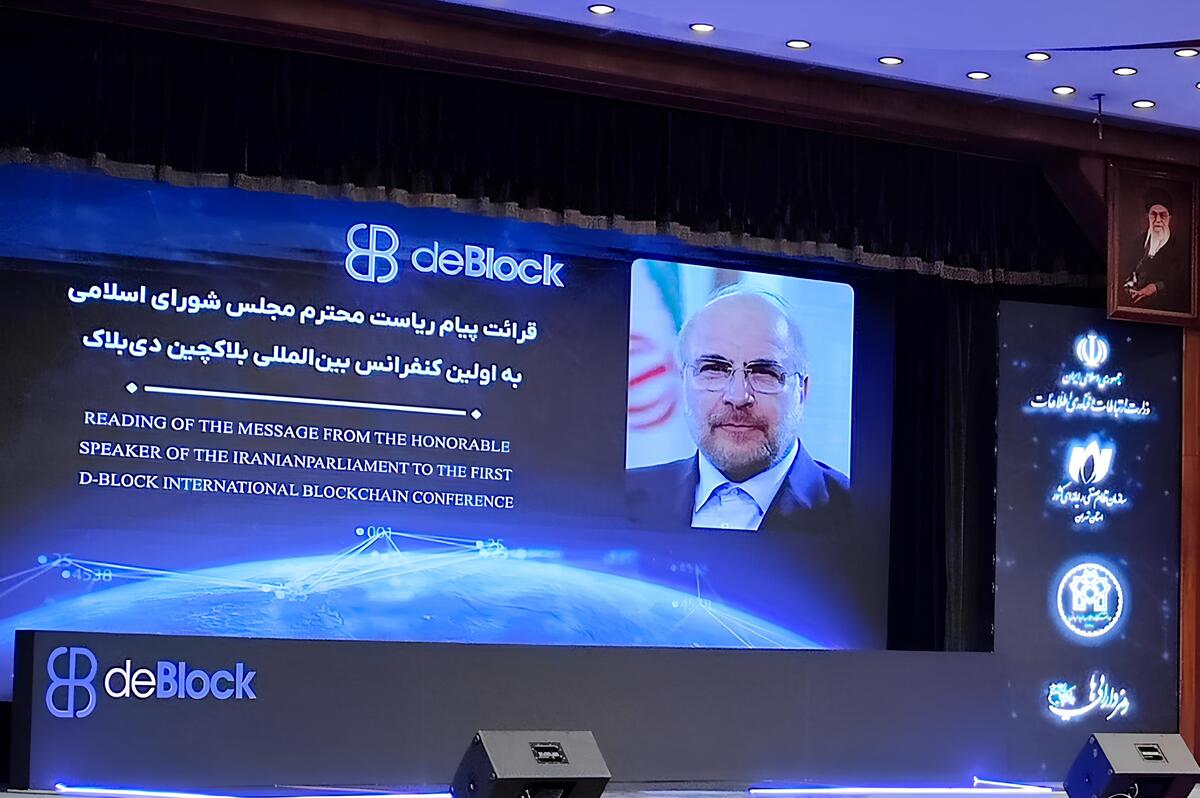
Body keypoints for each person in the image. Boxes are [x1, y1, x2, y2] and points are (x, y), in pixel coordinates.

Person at [626, 284, 849, 532]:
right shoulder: (621, 495)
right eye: (714, 368)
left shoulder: (859, 512)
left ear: (801, 392)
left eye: (765, 372)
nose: (738, 396)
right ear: (684, 382)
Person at [1122, 187, 1191, 313]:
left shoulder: (1179, 248)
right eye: (1153, 214)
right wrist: (1128, 285)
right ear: (1148, 216)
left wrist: (1155, 287)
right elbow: (1126, 272)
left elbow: (1179, 283)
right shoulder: (1137, 243)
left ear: (1170, 217)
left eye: (1163, 215)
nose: (1158, 220)